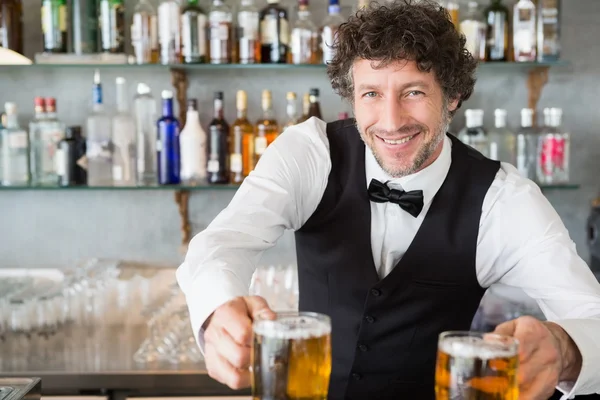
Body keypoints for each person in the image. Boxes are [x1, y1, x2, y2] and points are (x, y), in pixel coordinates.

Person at [176, 0, 600, 399]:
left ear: (452, 96)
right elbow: (221, 244)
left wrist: (563, 348)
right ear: (352, 98)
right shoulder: (309, 153)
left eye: (413, 92)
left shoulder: (502, 200)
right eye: (371, 94)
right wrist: (217, 312)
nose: (391, 121)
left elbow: (592, 316)